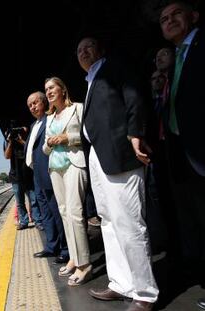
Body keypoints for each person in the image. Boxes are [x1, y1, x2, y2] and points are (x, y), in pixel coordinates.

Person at [76, 37, 159, 311]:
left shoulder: (114, 67)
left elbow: (134, 95)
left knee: (128, 221)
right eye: (79, 50)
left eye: (89, 46)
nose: (83, 51)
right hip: (98, 155)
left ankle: (145, 292)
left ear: (101, 50)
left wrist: (135, 132)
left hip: (119, 151)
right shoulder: (90, 80)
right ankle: (121, 283)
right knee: (109, 221)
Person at [159, 2, 205, 309]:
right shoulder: (175, 60)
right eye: (164, 19)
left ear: (194, 16)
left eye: (176, 13)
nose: (170, 21)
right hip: (182, 154)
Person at [42, 77, 92, 285]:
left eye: (52, 87)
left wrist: (66, 138)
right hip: (55, 167)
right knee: (64, 213)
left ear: (63, 89)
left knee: (75, 212)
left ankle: (84, 264)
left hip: (74, 163)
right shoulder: (50, 118)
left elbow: (87, 134)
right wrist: (51, 143)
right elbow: (45, 149)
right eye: (46, 90)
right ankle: (73, 257)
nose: (48, 92)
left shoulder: (78, 108)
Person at [25, 91, 69, 264]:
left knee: (56, 210)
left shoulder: (49, 120)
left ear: (44, 103)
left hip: (48, 170)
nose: (32, 107)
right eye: (29, 105)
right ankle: (52, 246)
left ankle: (66, 249)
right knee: (45, 212)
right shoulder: (33, 124)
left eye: (35, 103)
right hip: (37, 173)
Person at [4, 122, 41, 230]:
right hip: (15, 176)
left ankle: (38, 221)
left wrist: (21, 140)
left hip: (28, 175)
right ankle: (24, 222)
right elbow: (6, 156)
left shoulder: (28, 140)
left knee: (34, 200)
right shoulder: (8, 141)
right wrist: (10, 142)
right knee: (20, 202)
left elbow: (32, 152)